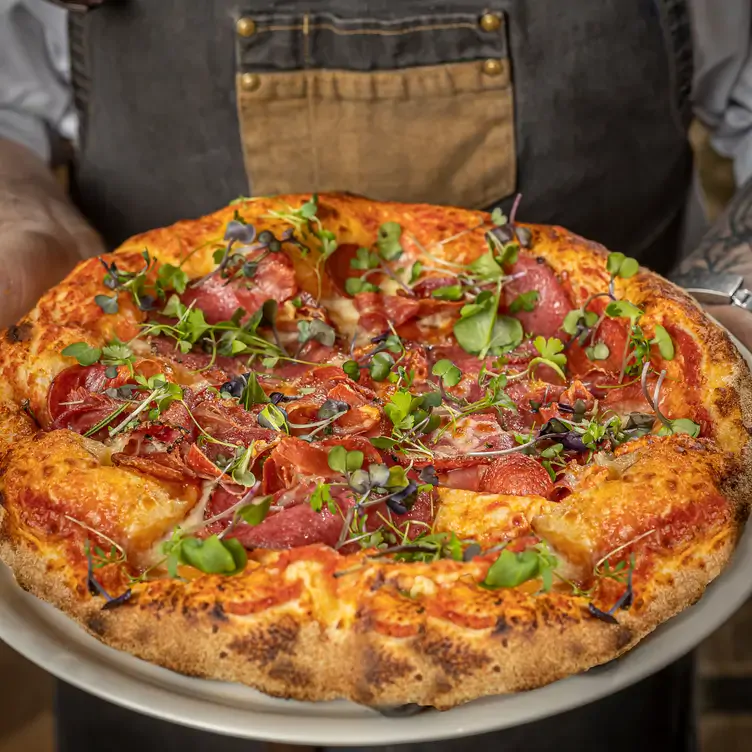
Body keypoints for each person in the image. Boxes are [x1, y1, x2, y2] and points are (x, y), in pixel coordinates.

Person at [1, 1, 751, 751]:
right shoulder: (65, 450)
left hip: (579, 692)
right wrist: (21, 223)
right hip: (155, 696)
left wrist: (727, 320)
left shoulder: (673, 404)